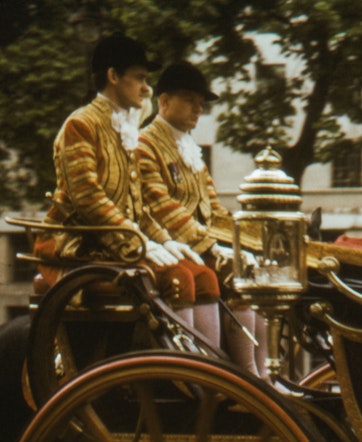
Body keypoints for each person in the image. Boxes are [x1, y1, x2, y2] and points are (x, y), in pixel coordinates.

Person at [34, 34, 220, 344]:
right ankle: (187, 376)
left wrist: (163, 240)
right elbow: (89, 200)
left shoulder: (122, 129)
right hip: (77, 244)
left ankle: (215, 376)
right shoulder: (80, 125)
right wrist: (139, 244)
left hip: (115, 241)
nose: (147, 88)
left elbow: (136, 207)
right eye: (140, 78)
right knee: (179, 278)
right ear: (113, 76)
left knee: (203, 277)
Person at [138, 60, 266, 375]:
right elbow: (162, 207)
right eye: (189, 100)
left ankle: (262, 375)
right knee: (231, 274)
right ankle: (232, 376)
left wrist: (244, 243)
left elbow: (214, 210)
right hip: (168, 246)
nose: (198, 109)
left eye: (200, 103)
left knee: (259, 274)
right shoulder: (145, 144)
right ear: (164, 101)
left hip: (199, 245)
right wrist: (211, 247)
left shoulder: (190, 149)